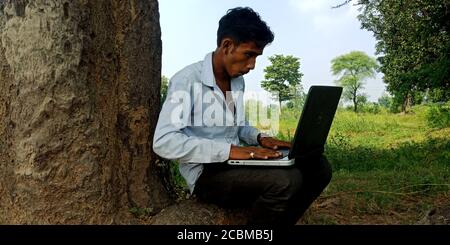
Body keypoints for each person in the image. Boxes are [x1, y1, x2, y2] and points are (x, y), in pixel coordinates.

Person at [153, 7, 332, 225]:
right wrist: (229, 150)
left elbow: (237, 126)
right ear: (227, 45)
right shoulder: (187, 80)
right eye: (249, 55)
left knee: (319, 167)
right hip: (206, 173)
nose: (252, 65)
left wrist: (260, 138)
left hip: (236, 164)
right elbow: (164, 141)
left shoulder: (237, 81)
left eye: (256, 57)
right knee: (286, 181)